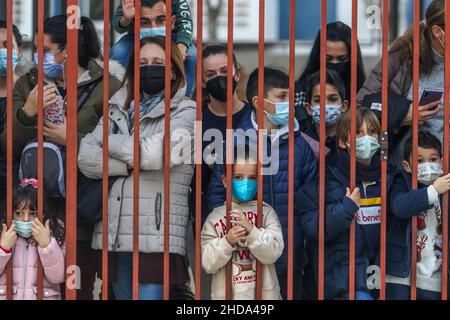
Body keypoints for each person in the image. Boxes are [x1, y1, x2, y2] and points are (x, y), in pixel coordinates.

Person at [0, 14, 124, 300]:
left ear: (67, 51)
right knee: (28, 289)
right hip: (30, 213)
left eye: (46, 51)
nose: (39, 57)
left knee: (76, 289)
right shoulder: (27, 84)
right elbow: (8, 146)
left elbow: (117, 142)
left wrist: (73, 139)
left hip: (81, 212)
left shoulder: (107, 86)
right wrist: (27, 112)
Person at [78, 36, 196, 300]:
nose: (149, 68)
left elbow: (157, 154)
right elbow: (85, 157)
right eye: (142, 63)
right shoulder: (116, 107)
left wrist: (109, 143)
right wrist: (128, 164)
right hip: (114, 232)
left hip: (156, 235)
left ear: (173, 71)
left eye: (157, 63)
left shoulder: (186, 111)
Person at [207, 67, 318, 299]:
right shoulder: (234, 142)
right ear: (258, 102)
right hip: (244, 258)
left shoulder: (301, 146)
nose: (289, 103)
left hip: (290, 254)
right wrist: (230, 235)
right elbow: (218, 195)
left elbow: (312, 200)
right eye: (281, 97)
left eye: (290, 97)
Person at [300, 107, 386, 300]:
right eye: (358, 132)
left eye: (372, 132)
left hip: (386, 278)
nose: (367, 138)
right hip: (345, 283)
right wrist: (346, 208)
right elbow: (314, 228)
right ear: (342, 141)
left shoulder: (389, 179)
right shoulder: (325, 179)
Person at [357, 0, 445, 166]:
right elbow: (361, 106)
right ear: (437, 31)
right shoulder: (402, 57)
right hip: (402, 170)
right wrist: (402, 114)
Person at [201, 146, 284, 300]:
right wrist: (227, 241)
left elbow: (274, 251)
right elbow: (207, 263)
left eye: (252, 178)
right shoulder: (214, 218)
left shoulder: (267, 213)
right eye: (238, 177)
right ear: (226, 181)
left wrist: (253, 232)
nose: (245, 183)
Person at [386, 131, 449, 300]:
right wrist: (433, 190)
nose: (427, 165)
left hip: (434, 278)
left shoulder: (446, 188)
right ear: (407, 166)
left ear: (442, 161)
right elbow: (400, 207)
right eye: (420, 161)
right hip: (401, 277)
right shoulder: (401, 182)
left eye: (433, 159)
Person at [197, 44, 252, 223]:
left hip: (255, 220)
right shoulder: (194, 120)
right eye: (211, 74)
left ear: (237, 74)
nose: (219, 78)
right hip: (209, 223)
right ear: (203, 81)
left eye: (225, 71)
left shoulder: (255, 117)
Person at [111, 0, 196, 97]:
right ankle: (122, 95)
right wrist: (126, 19)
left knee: (191, 54)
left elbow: (185, 23)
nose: (154, 27)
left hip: (170, 35)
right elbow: (118, 25)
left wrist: (181, 46)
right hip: (138, 35)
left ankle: (186, 95)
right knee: (119, 51)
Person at [0, 178, 65, 300]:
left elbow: (57, 277)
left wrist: (47, 245)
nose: (25, 219)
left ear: (44, 213)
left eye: (32, 213)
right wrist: (3, 248)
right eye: (18, 213)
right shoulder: (2, 232)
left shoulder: (55, 234)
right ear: (10, 213)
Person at [295, 21, 366, 131]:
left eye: (342, 59)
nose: (334, 64)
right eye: (328, 59)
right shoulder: (300, 92)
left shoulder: (362, 93)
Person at [302, 69, 348, 163]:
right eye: (318, 100)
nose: (325, 105)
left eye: (333, 99)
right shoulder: (301, 143)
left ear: (344, 106)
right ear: (309, 108)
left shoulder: (354, 142)